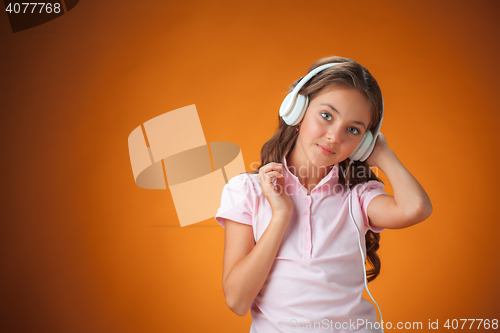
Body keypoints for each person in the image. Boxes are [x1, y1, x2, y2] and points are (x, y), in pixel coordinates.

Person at [215, 56, 433, 333]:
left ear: (363, 143)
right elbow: (237, 300)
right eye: (327, 115)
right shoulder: (247, 190)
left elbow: (416, 208)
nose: (334, 136)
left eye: (353, 130)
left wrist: (383, 154)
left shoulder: (358, 196)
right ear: (297, 111)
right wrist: (281, 215)